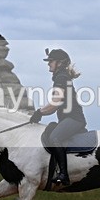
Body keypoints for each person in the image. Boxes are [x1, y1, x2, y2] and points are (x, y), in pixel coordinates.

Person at [29, 48, 87, 186]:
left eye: (51, 61)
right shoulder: (61, 77)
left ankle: (64, 174)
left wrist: (39, 112)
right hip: (67, 119)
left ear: (60, 63)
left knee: (55, 137)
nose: (48, 64)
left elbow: (55, 103)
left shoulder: (61, 78)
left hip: (74, 119)